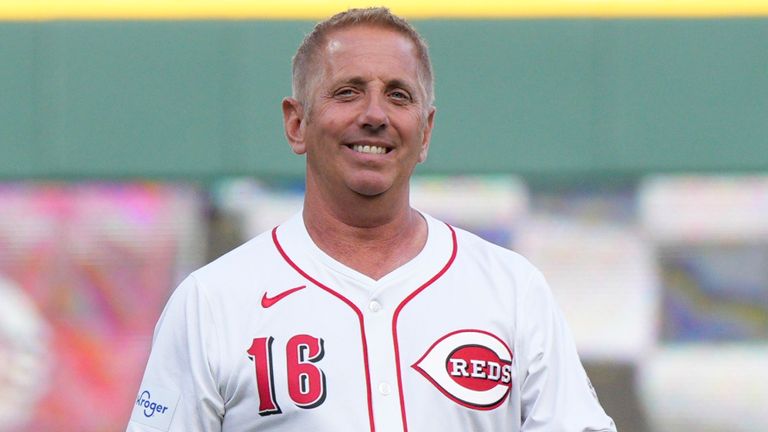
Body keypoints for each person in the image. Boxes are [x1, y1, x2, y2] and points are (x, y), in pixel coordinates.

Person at [128, 7, 616, 432]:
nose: (375, 114)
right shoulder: (212, 300)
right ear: (297, 124)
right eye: (348, 92)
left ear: (424, 133)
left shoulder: (510, 288)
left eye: (399, 96)